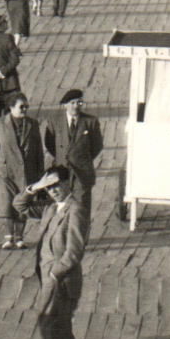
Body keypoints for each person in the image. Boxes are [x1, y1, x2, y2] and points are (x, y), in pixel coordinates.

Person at [13, 167, 87, 339]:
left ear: (68, 183)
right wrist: (34, 187)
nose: (54, 191)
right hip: (48, 278)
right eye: (50, 187)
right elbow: (19, 206)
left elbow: (74, 251)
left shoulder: (75, 210)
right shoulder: (51, 209)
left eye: (57, 185)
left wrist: (55, 273)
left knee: (50, 329)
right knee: (59, 331)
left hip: (60, 280)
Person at [0, 93, 47, 249]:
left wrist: (40, 174)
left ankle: (20, 237)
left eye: (26, 107)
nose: (25, 110)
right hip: (5, 172)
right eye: (21, 107)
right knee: (7, 202)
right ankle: (9, 237)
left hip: (26, 171)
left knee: (23, 202)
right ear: (11, 107)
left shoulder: (32, 124)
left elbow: (38, 152)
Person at [44, 88, 105, 236]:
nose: (76, 106)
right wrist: (62, 157)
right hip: (62, 172)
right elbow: (49, 143)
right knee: (62, 204)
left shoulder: (90, 122)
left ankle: (80, 237)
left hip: (82, 173)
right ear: (65, 105)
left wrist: (81, 159)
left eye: (79, 102)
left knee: (82, 205)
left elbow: (97, 145)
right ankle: (62, 234)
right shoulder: (54, 122)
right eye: (72, 103)